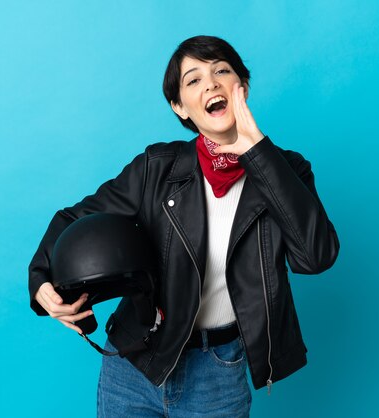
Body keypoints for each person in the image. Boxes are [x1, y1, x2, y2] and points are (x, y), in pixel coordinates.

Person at [28, 35, 340, 417]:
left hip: (217, 373)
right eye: (193, 80)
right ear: (181, 106)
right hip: (134, 361)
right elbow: (74, 219)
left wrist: (258, 152)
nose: (210, 83)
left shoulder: (288, 171)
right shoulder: (157, 168)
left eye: (221, 71)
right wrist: (41, 279)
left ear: (241, 87)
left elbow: (316, 257)